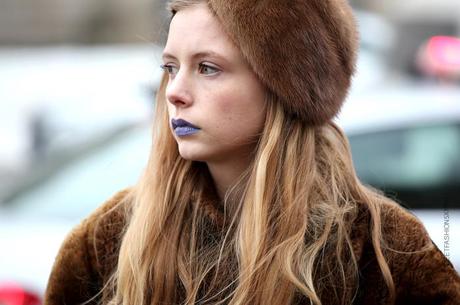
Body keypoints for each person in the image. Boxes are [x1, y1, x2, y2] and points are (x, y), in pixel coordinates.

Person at [44, 0, 460, 304]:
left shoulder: (382, 251)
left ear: (286, 88)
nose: (175, 92)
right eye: (170, 67)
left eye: (208, 68)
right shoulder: (106, 242)